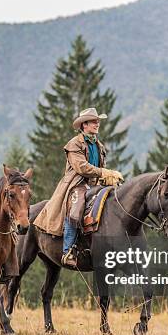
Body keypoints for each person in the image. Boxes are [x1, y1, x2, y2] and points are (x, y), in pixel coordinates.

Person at [32, 108, 123, 267]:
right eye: (94, 121)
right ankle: (68, 250)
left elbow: (100, 168)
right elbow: (82, 167)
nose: (97, 124)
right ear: (84, 125)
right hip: (76, 185)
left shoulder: (99, 145)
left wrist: (109, 177)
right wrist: (104, 172)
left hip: (94, 186)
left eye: (97, 121)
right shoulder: (74, 144)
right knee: (76, 209)